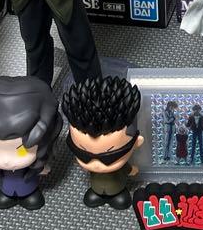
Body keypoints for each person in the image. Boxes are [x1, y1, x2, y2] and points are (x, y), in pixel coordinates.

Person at [0, 76, 61, 211]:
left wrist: (42, 166)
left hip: (28, 183)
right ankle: (8, 195)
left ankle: (29, 194)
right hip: (6, 185)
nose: (6, 160)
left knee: (29, 191)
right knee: (7, 189)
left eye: (21, 150)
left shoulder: (38, 151)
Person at [61, 77, 145, 210]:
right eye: (83, 155)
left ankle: (117, 194)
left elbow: (126, 168)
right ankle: (97, 193)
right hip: (96, 188)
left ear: (137, 142)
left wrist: (130, 170)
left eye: (109, 158)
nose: (96, 165)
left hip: (117, 187)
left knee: (121, 200)